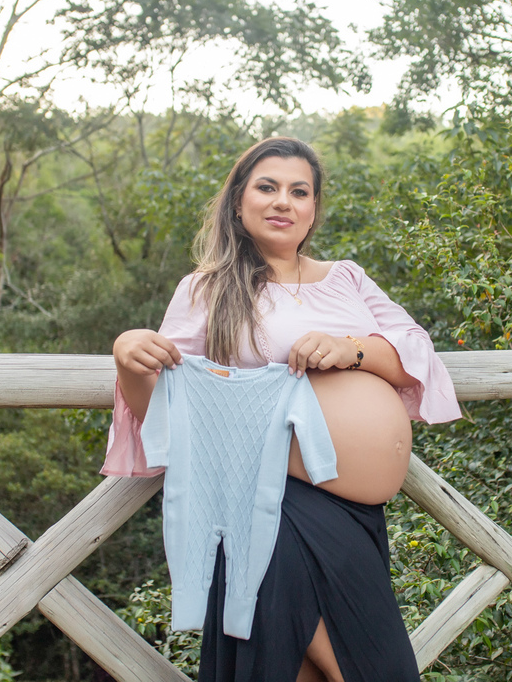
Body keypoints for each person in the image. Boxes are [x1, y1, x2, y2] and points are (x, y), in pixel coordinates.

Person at [104, 136, 461, 682]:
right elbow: (170, 412)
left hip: (357, 518)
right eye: (267, 188)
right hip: (271, 504)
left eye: (299, 191)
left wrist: (350, 349)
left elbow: (413, 350)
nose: (283, 202)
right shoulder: (208, 290)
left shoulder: (346, 277)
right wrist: (129, 360)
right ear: (238, 201)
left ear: (313, 208)